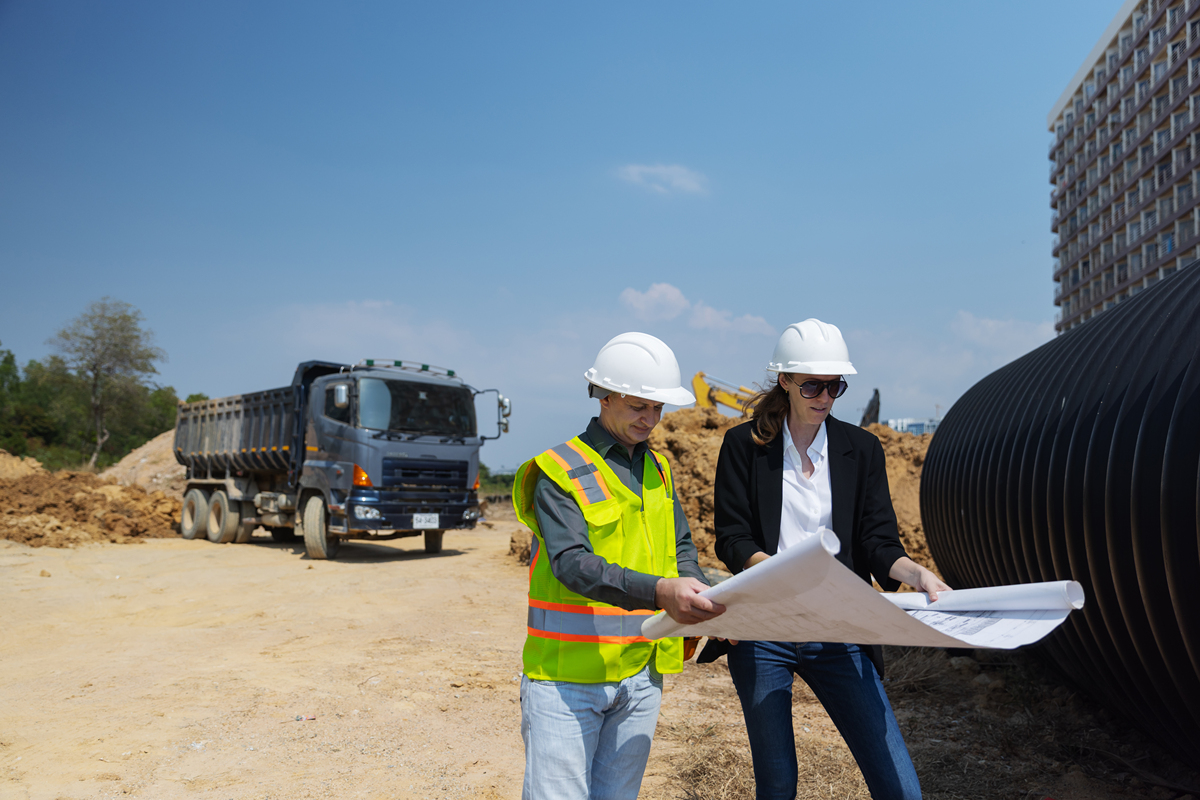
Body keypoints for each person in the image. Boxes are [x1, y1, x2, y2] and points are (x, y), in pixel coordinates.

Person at [707, 318, 949, 800]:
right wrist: (776, 572)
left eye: (835, 386)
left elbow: (878, 543)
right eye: (812, 385)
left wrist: (917, 572)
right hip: (764, 631)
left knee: (900, 786)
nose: (824, 396)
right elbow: (731, 537)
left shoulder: (861, 449)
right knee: (777, 785)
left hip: (839, 629)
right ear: (786, 382)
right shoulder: (744, 446)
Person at [512, 331, 727, 800]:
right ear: (604, 396)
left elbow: (682, 548)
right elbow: (572, 565)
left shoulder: (659, 468)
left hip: (641, 673)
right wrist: (660, 593)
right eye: (638, 406)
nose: (650, 420)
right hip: (568, 678)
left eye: (658, 409)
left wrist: (705, 593)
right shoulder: (558, 470)